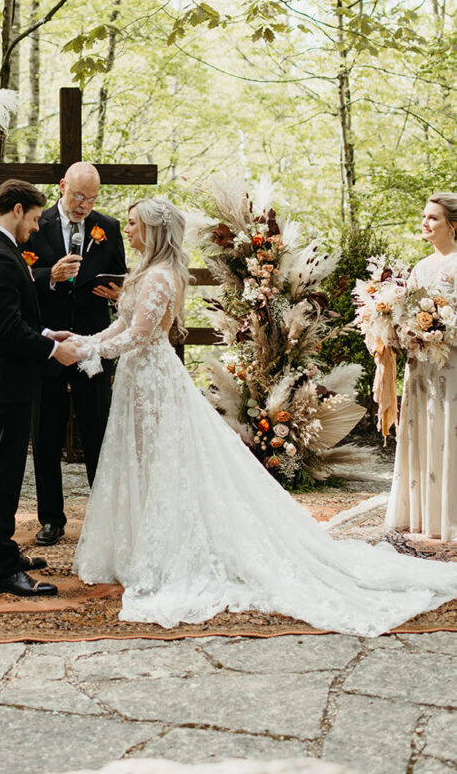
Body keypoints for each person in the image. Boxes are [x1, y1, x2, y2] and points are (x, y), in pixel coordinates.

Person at [71, 197, 457, 635]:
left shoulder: (160, 276)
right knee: (138, 460)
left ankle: (170, 549)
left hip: (154, 379)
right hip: (137, 380)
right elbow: (122, 326)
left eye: (134, 223)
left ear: (154, 230)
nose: (129, 229)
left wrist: (85, 352)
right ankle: (136, 546)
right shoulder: (144, 272)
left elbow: (141, 335)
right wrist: (83, 341)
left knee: (165, 463)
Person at [0, 178, 83, 597]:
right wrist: (54, 353)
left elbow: (17, 317)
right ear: (16, 210)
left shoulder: (0, 249)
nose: (36, 228)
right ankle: (1, 568)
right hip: (6, 379)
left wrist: (48, 333)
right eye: (33, 219)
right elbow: (9, 330)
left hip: (7, 375)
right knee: (4, 473)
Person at [24, 161, 126, 546]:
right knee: (45, 433)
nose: (84, 205)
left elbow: (121, 279)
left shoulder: (109, 228)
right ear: (62, 186)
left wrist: (119, 294)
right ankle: (51, 518)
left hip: (94, 344)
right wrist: (48, 276)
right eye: (78, 196)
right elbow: (18, 277)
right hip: (49, 344)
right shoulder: (36, 223)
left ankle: (104, 518)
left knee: (98, 430)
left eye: (92, 198)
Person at [385, 193, 457, 540]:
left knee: (447, 434)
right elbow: (404, 317)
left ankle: (447, 519)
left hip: (449, 370)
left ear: (453, 226)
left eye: (433, 218)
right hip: (419, 369)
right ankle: (421, 515)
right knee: (422, 433)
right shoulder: (421, 268)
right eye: (425, 216)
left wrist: (439, 332)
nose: (425, 223)